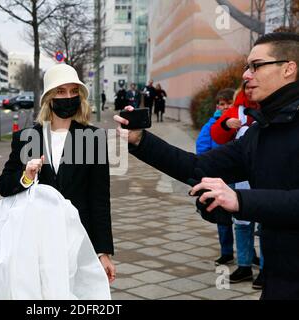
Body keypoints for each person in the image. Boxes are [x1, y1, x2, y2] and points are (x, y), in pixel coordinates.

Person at [114, 32, 299, 300]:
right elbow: (197, 166)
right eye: (247, 67)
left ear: (288, 68)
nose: (246, 75)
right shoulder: (260, 132)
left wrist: (240, 200)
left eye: (256, 65)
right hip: (279, 280)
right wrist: (141, 140)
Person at [0, 64, 115, 284]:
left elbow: (99, 199)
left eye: (73, 91)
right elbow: (4, 186)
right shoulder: (27, 137)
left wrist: (103, 251)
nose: (68, 97)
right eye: (60, 91)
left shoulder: (93, 138)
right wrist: (27, 177)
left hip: (79, 239)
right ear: (49, 98)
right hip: (36, 241)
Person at [211, 83, 264, 289]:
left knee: (265, 225)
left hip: (267, 175)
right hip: (241, 177)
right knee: (241, 223)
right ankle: (244, 265)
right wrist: (225, 125)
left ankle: (267, 270)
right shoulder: (236, 109)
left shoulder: (273, 106)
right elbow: (216, 134)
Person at [196, 88, 234, 267]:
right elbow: (202, 148)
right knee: (223, 217)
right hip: (220, 175)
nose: (225, 107)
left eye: (228, 103)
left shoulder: (241, 122)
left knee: (245, 221)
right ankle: (226, 251)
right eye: (221, 104)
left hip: (240, 176)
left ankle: (248, 254)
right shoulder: (212, 124)